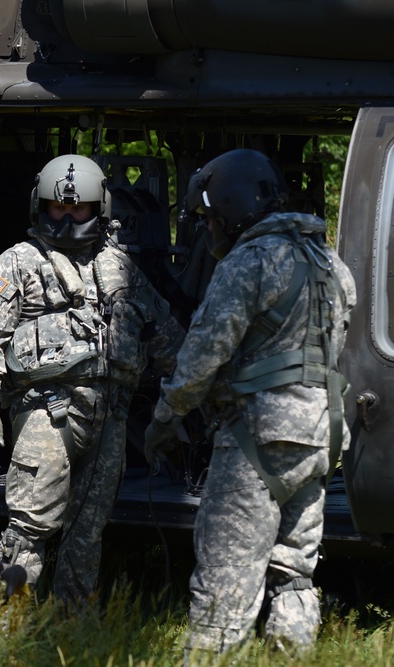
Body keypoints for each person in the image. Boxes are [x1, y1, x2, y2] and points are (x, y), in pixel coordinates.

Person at [144, 148, 356, 659]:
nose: (209, 230)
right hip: (320, 440)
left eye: (211, 219)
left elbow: (202, 355)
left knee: (223, 580)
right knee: (295, 573)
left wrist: (166, 417)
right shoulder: (331, 265)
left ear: (233, 210)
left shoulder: (250, 262)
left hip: (257, 441)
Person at [0, 154, 183, 605]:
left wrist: (190, 392)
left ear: (98, 207)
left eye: (77, 208)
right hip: (47, 412)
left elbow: (164, 333)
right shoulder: (19, 263)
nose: (66, 216)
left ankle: (74, 629)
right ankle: (6, 626)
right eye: (56, 208)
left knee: (87, 531)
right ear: (39, 206)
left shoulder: (118, 266)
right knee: (29, 528)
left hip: (111, 416)